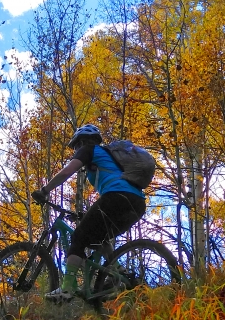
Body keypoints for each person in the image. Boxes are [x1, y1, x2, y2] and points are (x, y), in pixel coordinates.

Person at [31, 124, 146, 302]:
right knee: (97, 238)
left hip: (117, 197)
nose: (77, 150)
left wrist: (45, 190)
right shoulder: (108, 157)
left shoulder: (89, 149)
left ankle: (67, 288)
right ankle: (119, 274)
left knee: (78, 236)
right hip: (137, 204)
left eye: (76, 146)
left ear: (82, 141)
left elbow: (67, 172)